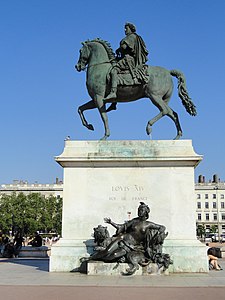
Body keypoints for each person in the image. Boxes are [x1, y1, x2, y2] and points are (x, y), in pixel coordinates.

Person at [90, 202, 167, 263]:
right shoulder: (134, 221)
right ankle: (91, 258)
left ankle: (101, 257)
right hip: (122, 239)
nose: (139, 212)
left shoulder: (148, 224)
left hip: (130, 246)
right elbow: (122, 227)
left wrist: (158, 233)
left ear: (146, 212)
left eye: (141, 210)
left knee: (114, 255)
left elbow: (162, 227)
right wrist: (111, 223)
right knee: (107, 251)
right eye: (139, 210)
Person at [105, 22, 149, 103]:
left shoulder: (131, 37)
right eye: (124, 28)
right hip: (126, 59)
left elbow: (125, 47)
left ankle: (113, 92)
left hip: (128, 60)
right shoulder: (132, 37)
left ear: (131, 29)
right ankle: (113, 103)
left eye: (126, 28)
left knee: (114, 71)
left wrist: (120, 48)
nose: (125, 30)